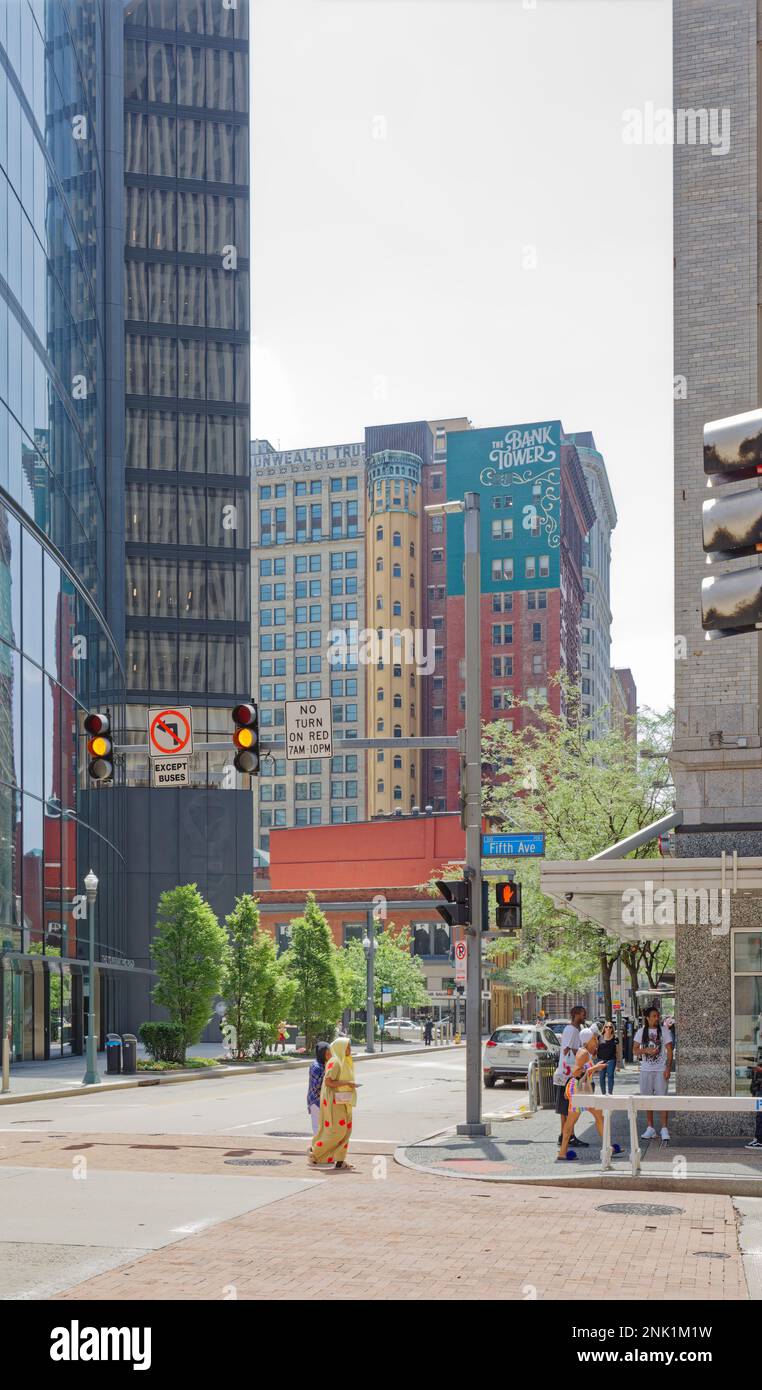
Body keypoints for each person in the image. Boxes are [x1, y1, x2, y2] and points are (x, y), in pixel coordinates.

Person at [557, 1028, 622, 1162]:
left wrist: (594, 1067)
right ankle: (563, 1151)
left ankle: (563, 1152)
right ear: (587, 1041)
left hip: (581, 1091)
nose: (596, 1042)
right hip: (579, 1091)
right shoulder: (583, 1053)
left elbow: (581, 1072)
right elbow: (576, 1073)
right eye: (594, 1039)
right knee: (576, 1121)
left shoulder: (585, 1052)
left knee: (592, 1118)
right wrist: (596, 1068)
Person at [309, 1036, 358, 1170]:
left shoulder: (345, 1061)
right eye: (347, 1046)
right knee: (338, 1131)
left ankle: (340, 1160)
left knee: (347, 1130)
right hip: (334, 1101)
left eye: (349, 1046)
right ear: (340, 1047)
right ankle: (315, 1152)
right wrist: (347, 1083)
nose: (349, 1049)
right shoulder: (335, 1062)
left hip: (344, 1099)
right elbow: (328, 1082)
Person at [634, 1003, 674, 1142]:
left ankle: (664, 1128)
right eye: (654, 1016)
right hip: (646, 1070)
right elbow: (634, 1050)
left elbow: (669, 1051)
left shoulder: (664, 1031)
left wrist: (668, 1067)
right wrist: (646, 1050)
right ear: (647, 1018)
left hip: (660, 1070)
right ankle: (650, 1128)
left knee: (662, 1099)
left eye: (658, 1016)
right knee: (647, 1099)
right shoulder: (641, 1032)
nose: (657, 1018)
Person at [552, 1005, 590, 1149]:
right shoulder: (571, 1030)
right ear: (576, 1014)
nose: (584, 1015)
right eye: (583, 1013)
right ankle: (568, 1136)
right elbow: (567, 1049)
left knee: (566, 1107)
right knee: (568, 1107)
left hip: (567, 1073)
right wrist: (582, 1052)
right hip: (567, 1074)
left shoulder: (573, 1030)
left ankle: (565, 1136)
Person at [307, 1041, 330, 1136]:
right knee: (317, 1128)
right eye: (328, 1054)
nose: (330, 1056)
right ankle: (316, 1148)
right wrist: (327, 1071)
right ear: (321, 1054)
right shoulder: (316, 1066)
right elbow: (317, 1086)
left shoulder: (325, 1064)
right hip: (316, 1101)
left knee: (325, 1127)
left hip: (324, 1100)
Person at [597, 1021, 621, 1094]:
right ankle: (603, 1094)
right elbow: (596, 1048)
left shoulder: (615, 1038)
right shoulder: (599, 1037)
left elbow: (617, 1051)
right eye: (606, 1026)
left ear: (612, 1029)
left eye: (610, 1027)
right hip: (601, 1060)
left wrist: (618, 1063)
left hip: (611, 1060)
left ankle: (610, 1093)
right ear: (604, 1028)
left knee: (610, 1076)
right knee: (601, 1077)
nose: (608, 1028)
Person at [746, 1058, 762, 1150]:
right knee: (759, 1115)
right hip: (759, 1089)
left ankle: (760, 1141)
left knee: (760, 1116)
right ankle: (758, 1138)